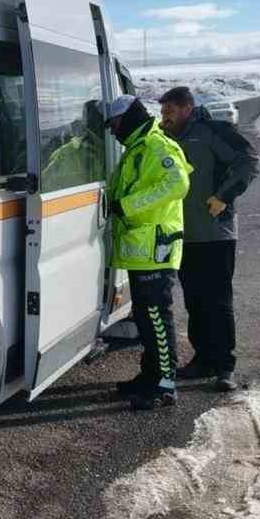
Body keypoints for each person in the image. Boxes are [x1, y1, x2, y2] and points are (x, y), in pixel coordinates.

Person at [158, 86, 260, 393]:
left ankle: (224, 366)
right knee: (195, 301)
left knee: (217, 301)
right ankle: (202, 358)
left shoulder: (213, 131)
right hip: (184, 234)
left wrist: (223, 196)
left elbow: (248, 160)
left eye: (170, 112)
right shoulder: (167, 138)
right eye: (163, 113)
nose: (165, 118)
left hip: (216, 233)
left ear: (187, 108)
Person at [102, 95, 192, 410]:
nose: (113, 131)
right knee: (144, 316)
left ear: (128, 119)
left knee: (156, 316)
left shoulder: (156, 146)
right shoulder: (136, 150)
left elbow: (177, 183)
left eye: (115, 124)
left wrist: (126, 206)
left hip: (157, 248)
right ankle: (150, 374)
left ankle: (165, 385)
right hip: (142, 249)